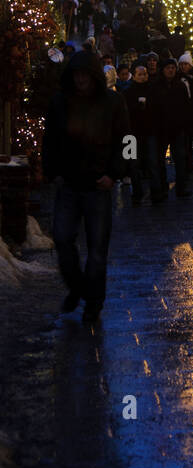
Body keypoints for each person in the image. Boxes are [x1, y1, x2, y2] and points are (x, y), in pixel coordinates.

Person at [42, 49, 131, 324]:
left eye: (85, 75)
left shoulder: (112, 102)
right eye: (77, 75)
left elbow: (127, 141)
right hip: (69, 182)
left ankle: (93, 301)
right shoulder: (61, 102)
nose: (81, 80)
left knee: (97, 249)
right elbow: (50, 139)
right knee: (62, 239)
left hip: (98, 185)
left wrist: (115, 174)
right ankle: (78, 287)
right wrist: (53, 171)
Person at [149, 58, 193, 200]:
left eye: (173, 68)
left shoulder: (180, 85)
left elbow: (186, 106)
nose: (171, 70)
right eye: (168, 68)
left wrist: (185, 124)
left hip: (177, 128)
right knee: (159, 161)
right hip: (161, 129)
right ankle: (162, 188)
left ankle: (181, 187)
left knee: (180, 159)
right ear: (163, 69)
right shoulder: (155, 86)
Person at [126, 60, 157, 204]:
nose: (143, 77)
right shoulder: (127, 92)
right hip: (131, 134)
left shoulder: (152, 90)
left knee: (152, 162)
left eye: (144, 74)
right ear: (134, 76)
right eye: (140, 74)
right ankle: (136, 192)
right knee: (133, 164)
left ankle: (156, 192)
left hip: (149, 131)